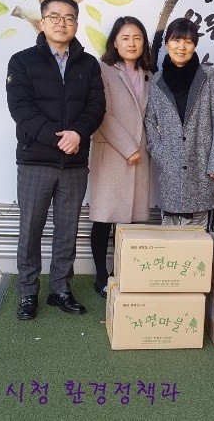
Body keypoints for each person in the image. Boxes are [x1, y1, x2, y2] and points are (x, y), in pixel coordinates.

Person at [6, 0, 105, 320]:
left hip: (74, 163)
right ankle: (28, 292)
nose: (62, 23)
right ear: (42, 22)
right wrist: (58, 138)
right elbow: (21, 109)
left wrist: (78, 133)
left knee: (67, 229)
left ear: (76, 23)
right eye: (54, 17)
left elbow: (96, 106)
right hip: (35, 160)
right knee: (30, 229)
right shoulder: (22, 61)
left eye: (69, 17)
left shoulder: (88, 64)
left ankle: (60, 289)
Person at [88, 17, 153, 298]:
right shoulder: (102, 70)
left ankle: (125, 273)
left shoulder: (150, 74)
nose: (131, 43)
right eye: (125, 38)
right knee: (104, 218)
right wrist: (128, 148)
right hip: (112, 152)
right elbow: (100, 113)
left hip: (140, 155)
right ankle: (102, 277)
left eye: (137, 38)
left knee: (131, 221)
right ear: (114, 41)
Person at [145, 18, 214, 228]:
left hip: (203, 167)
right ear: (166, 44)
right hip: (170, 170)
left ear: (195, 46)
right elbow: (150, 121)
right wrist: (161, 154)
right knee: (171, 238)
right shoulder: (157, 80)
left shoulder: (208, 76)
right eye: (176, 40)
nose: (181, 47)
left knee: (200, 237)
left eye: (188, 42)